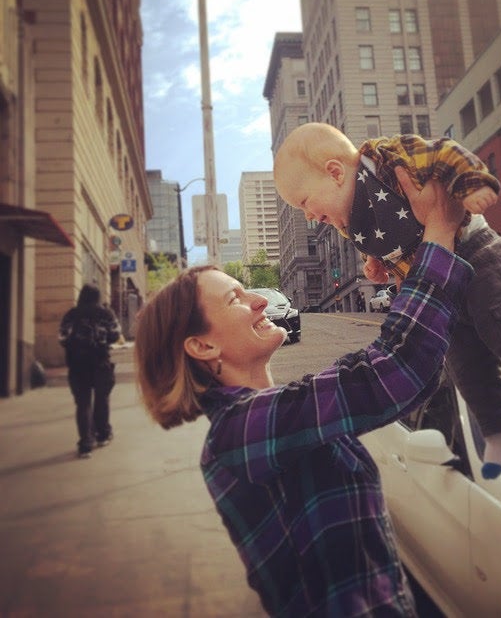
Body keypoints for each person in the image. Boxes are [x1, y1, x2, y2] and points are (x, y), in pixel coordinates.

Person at [134, 179, 472, 618]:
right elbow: (394, 369)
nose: (260, 301)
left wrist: (407, 269)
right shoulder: (239, 431)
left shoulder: (274, 413)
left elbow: (412, 381)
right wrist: (439, 234)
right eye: (236, 298)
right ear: (202, 347)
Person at [273, 122, 501, 479]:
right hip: (441, 285)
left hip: (477, 255)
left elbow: (443, 153)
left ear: (334, 173)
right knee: (465, 365)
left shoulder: (386, 160)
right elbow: (391, 242)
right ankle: (499, 430)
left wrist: (473, 185)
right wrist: (376, 264)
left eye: (304, 203)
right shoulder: (349, 220)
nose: (309, 215)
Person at [59, 284, 121, 458]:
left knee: (83, 404)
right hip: (101, 363)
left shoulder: (71, 314)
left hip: (77, 366)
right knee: (102, 399)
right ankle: (103, 435)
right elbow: (115, 334)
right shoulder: (105, 314)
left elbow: (62, 337)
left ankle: (85, 444)